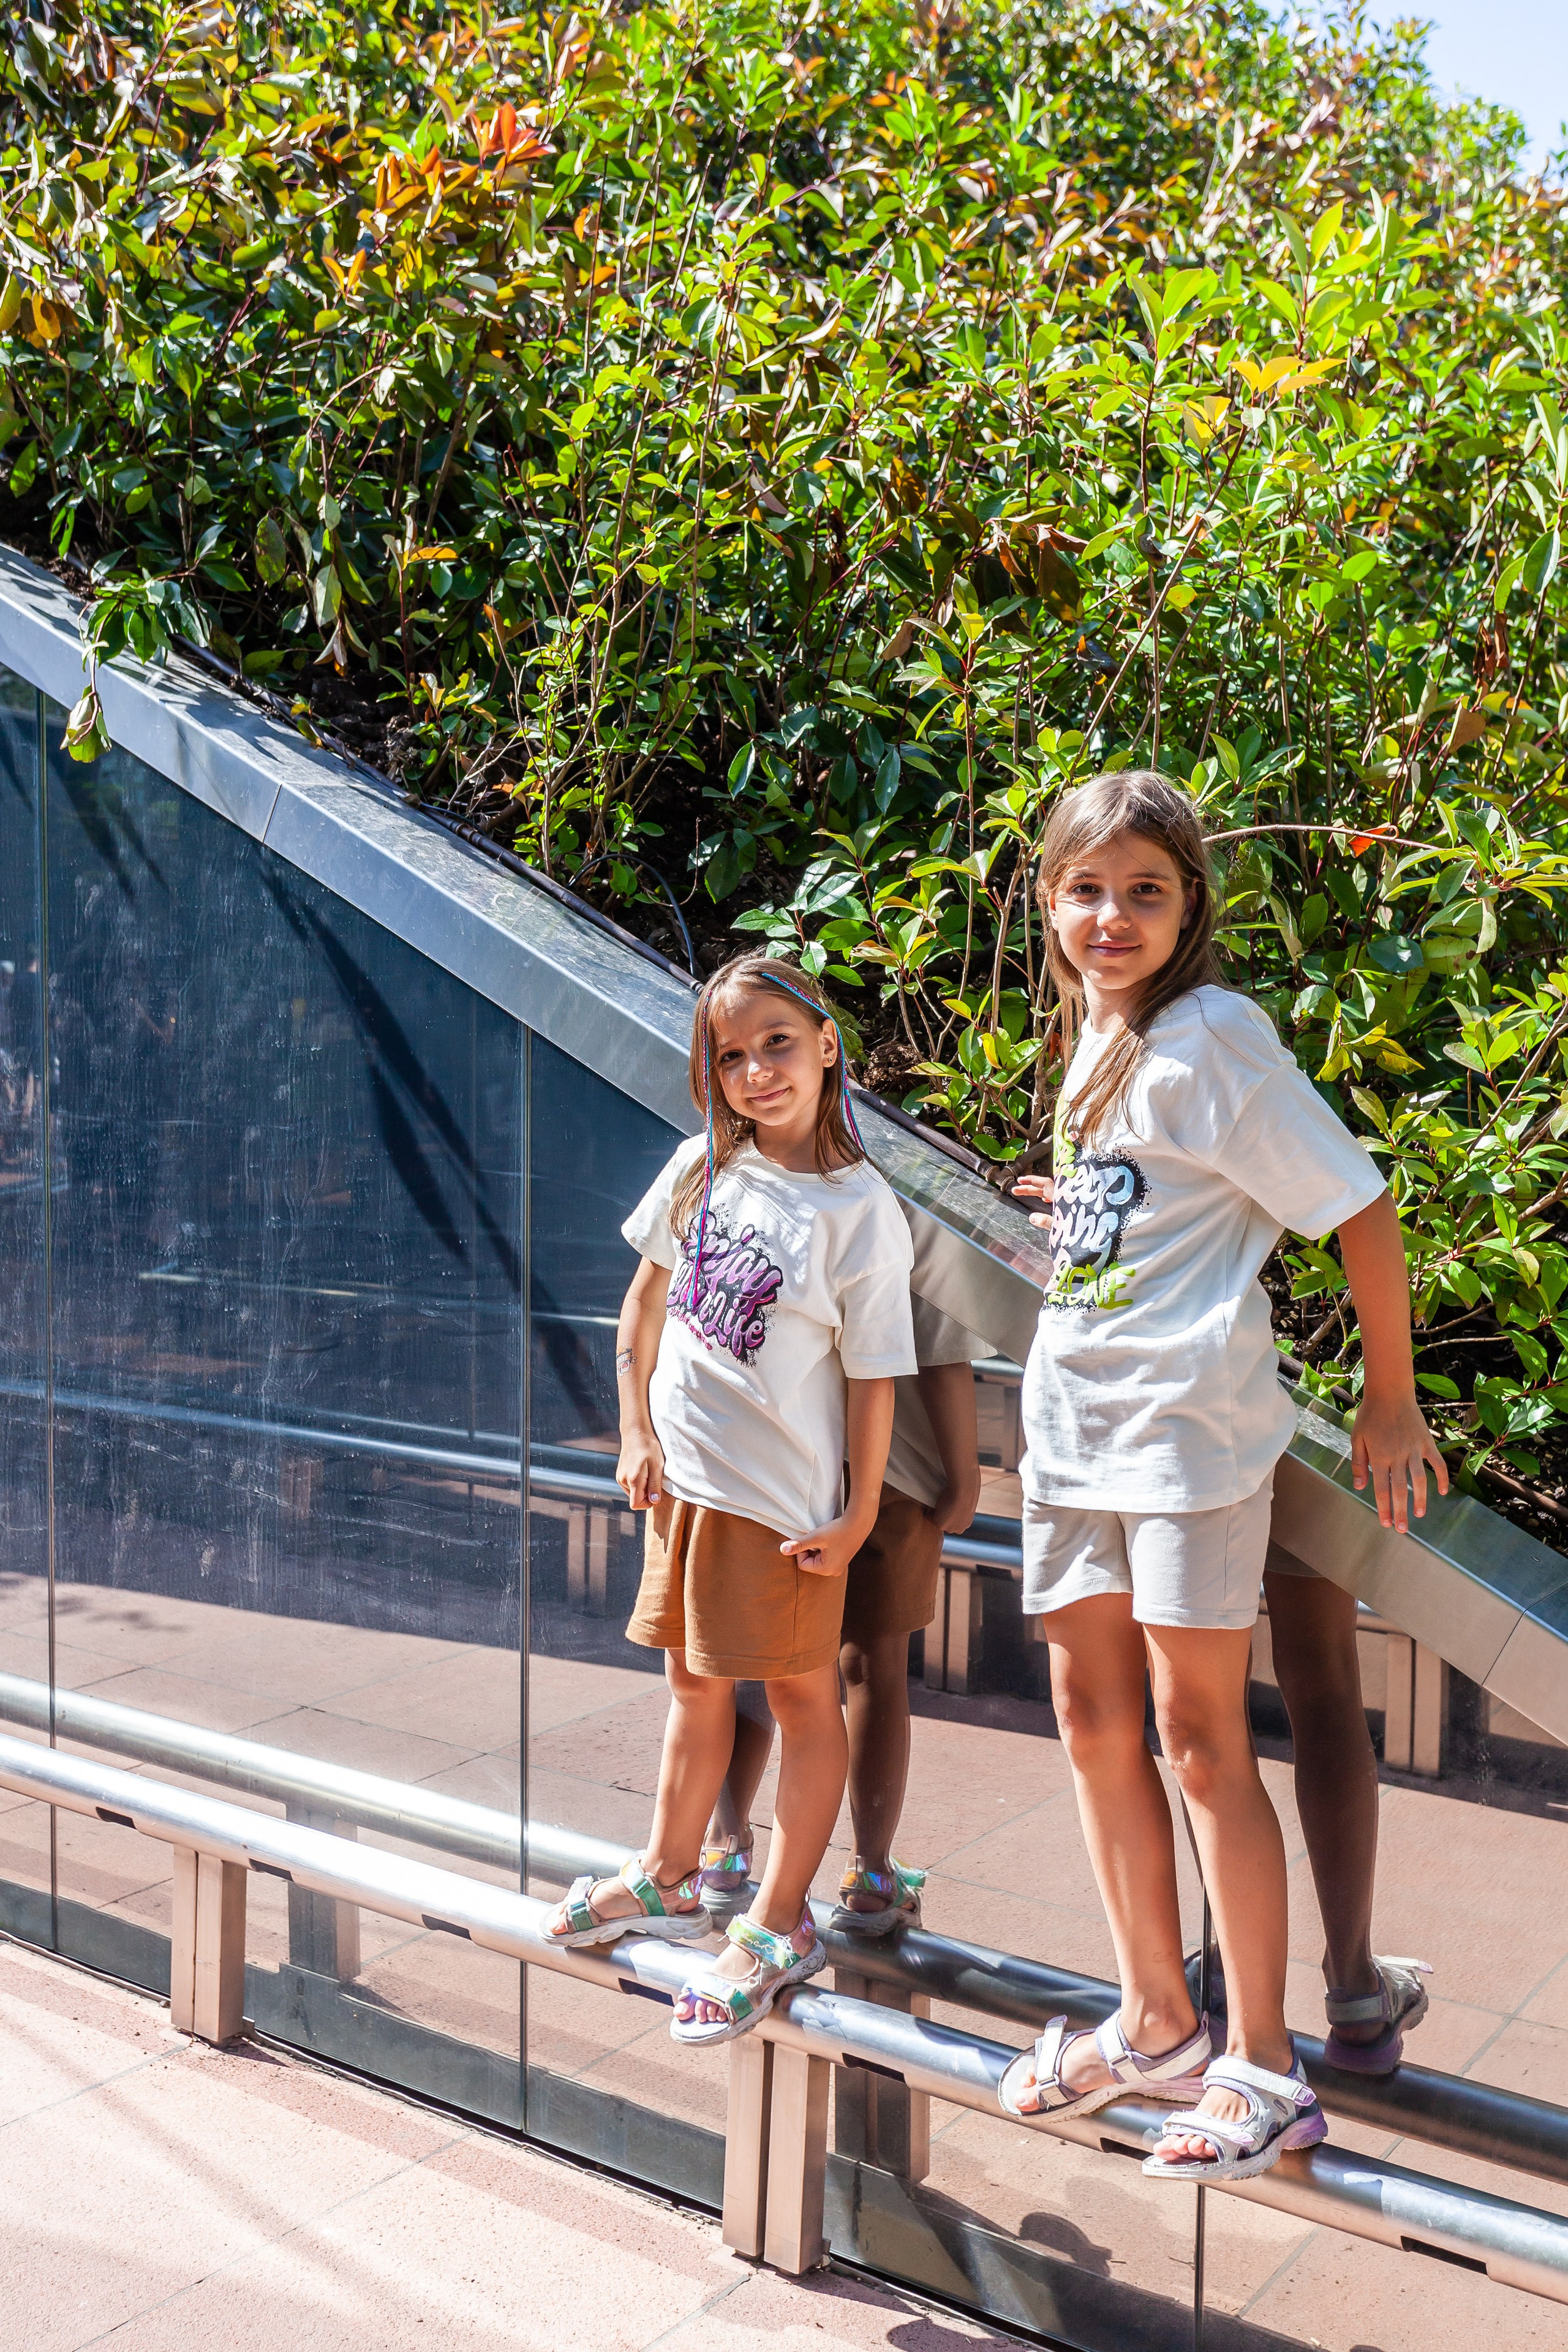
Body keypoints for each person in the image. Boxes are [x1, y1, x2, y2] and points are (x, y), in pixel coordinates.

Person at [1001, 769, 1446, 2182]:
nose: (1110, 914)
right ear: (1047, 895)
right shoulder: (1100, 1037)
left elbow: (1356, 1205)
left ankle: (1263, 2059)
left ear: (1188, 901)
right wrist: (1078, 1213)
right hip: (1071, 1427)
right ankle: (1153, 2017)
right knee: (1086, 1713)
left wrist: (1388, 1401)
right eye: (1085, 887)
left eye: (1143, 888)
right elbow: (1156, 1206)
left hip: (1182, 1441)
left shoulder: (1212, 1038)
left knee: (1196, 1733)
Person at [545, 951, 916, 2046]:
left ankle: (779, 1920)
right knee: (694, 1687)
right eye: (731, 1057)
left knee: (804, 1704)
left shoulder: (860, 1214)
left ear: (828, 1042)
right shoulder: (700, 1169)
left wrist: (854, 1516)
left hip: (779, 1512)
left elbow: (874, 1378)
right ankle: (666, 1870)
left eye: (778, 1045)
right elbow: (641, 1313)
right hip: (684, 1494)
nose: (757, 1072)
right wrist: (635, 1430)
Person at [698, 1296, 985, 1936]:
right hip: (899, 1467)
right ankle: (870, 1876)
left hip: (784, 1460)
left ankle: (723, 1849)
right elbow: (941, 1352)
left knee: (758, 1656)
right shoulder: (906, 1206)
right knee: (873, 1665)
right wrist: (965, 1475)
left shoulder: (789, 1191)